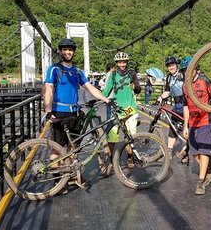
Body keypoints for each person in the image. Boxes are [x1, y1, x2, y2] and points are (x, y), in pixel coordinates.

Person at [44, 38, 110, 186]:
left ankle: (72, 176)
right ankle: (57, 182)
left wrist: (105, 99)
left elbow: (90, 88)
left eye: (70, 50)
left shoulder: (77, 71)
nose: (68, 52)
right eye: (65, 50)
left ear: (73, 52)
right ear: (61, 51)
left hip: (75, 113)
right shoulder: (54, 69)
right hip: (58, 112)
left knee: (73, 147)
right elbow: (48, 89)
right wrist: (48, 110)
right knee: (56, 148)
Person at [182, 63, 211, 195]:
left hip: (207, 120)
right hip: (193, 122)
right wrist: (185, 125)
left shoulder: (205, 81)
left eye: (190, 70)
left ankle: (201, 181)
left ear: (197, 70)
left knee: (203, 151)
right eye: (185, 70)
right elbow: (186, 106)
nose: (187, 73)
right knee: (194, 152)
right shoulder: (184, 86)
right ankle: (208, 172)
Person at [102, 51, 141, 168]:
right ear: (116, 63)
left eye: (124, 62)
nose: (122, 64)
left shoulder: (131, 73)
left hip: (130, 109)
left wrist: (135, 88)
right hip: (117, 109)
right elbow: (106, 91)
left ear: (127, 62)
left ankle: (130, 157)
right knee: (112, 137)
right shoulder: (113, 75)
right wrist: (98, 98)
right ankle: (109, 159)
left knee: (129, 136)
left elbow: (138, 87)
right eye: (120, 62)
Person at [157, 56, 185, 157]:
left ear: (176, 65)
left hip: (187, 104)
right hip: (177, 105)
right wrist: (161, 97)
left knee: (187, 128)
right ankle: (168, 153)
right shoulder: (169, 76)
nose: (171, 67)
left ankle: (185, 152)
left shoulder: (183, 73)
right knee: (173, 127)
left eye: (172, 65)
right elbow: (167, 91)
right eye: (169, 66)